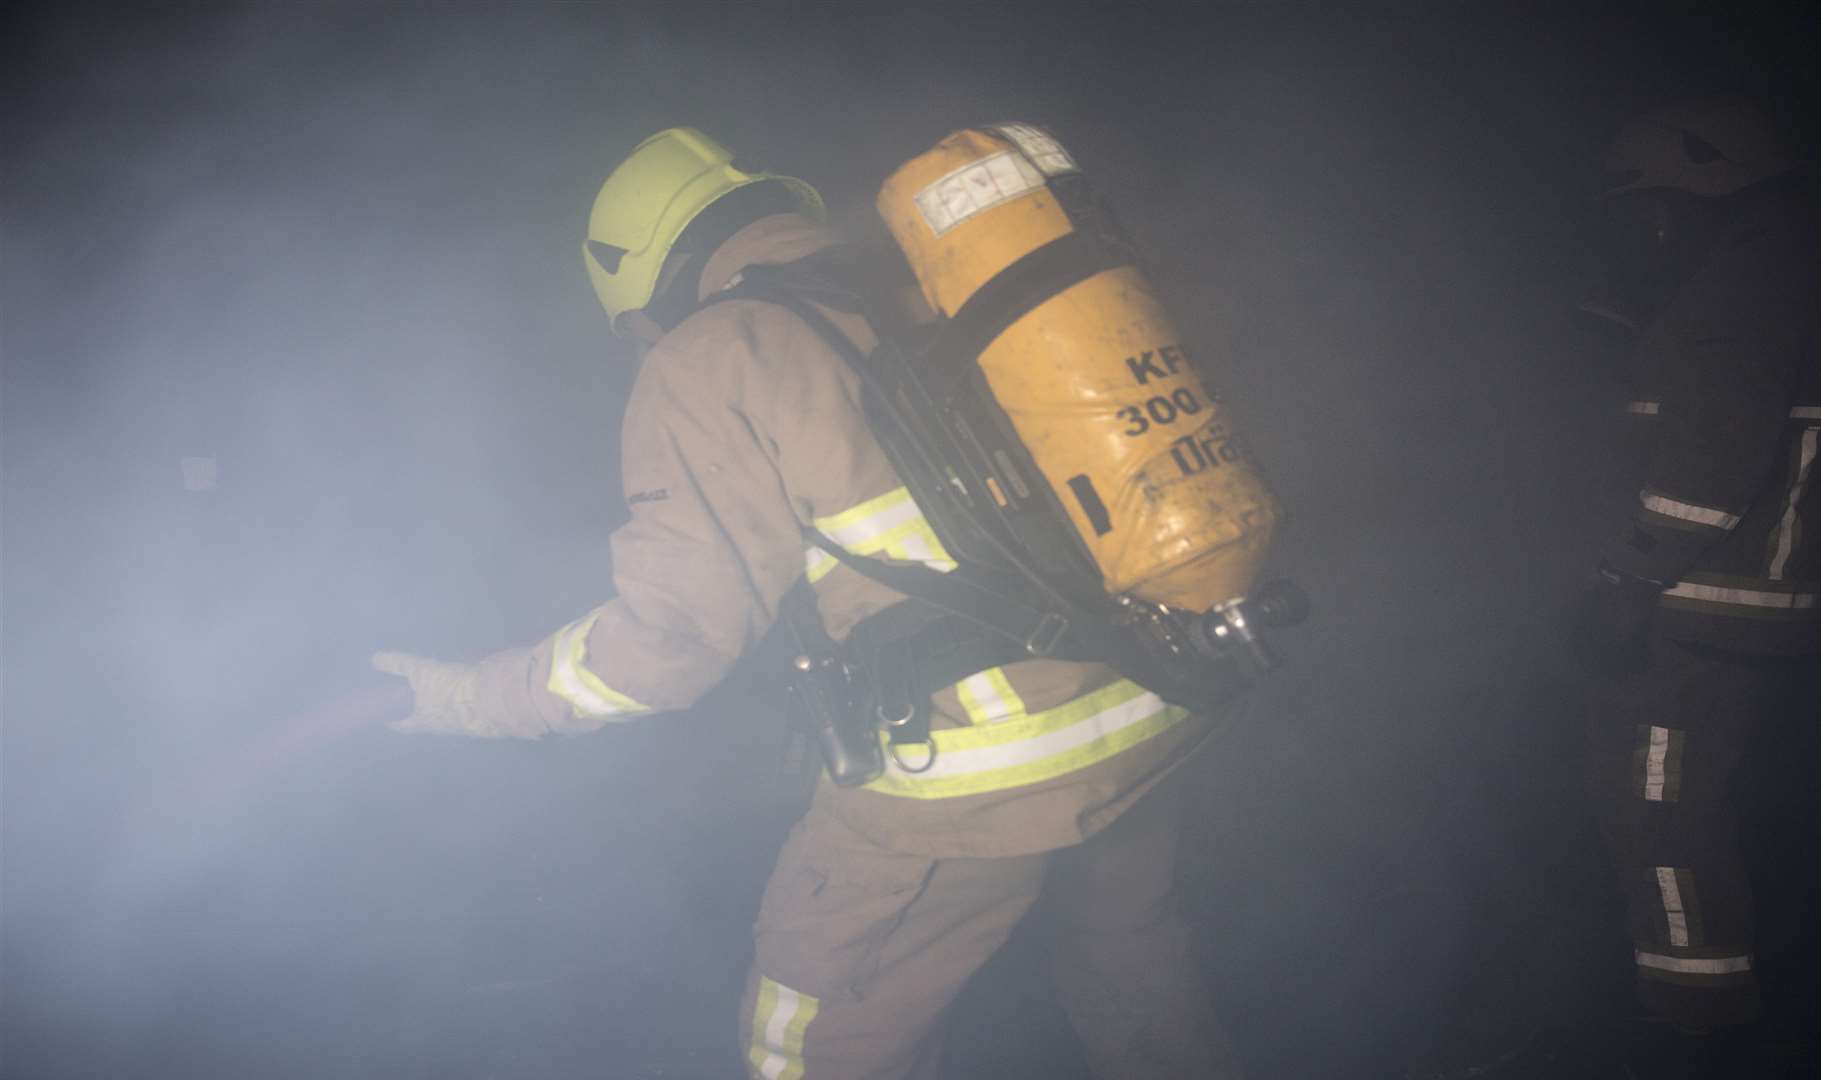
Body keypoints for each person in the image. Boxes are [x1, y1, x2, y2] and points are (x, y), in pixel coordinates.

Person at [372, 127, 1243, 1079]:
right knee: (1131, 958)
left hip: (977, 770)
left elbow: (673, 642)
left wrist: (472, 702)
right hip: (1148, 698)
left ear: (647, 283)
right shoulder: (928, 283)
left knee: (806, 1036)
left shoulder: (711, 356)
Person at [1568, 95, 1821, 1050]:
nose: (1646, 231)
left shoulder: (1752, 275)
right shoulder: (1797, 263)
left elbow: (1712, 457)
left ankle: (1691, 1028)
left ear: (1700, 185)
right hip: (1741, 604)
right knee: (1718, 810)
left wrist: (1627, 579)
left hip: (1702, 609)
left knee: (1660, 813)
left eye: (1649, 208)